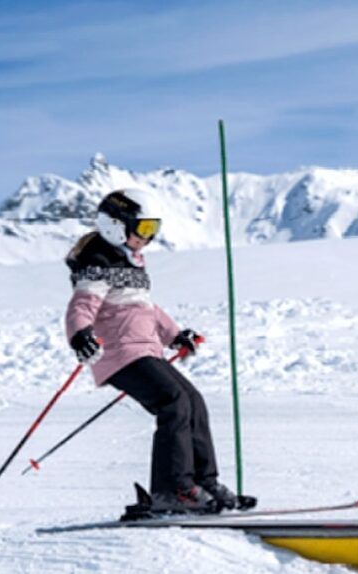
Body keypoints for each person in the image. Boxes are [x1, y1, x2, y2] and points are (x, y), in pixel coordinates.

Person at [63, 188, 240, 515]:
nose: (149, 238)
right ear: (117, 225)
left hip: (145, 350)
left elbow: (147, 309)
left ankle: (204, 483)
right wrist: (79, 335)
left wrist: (175, 335)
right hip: (119, 354)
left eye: (153, 229)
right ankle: (173, 491)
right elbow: (82, 304)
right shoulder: (98, 261)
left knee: (193, 402)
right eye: (143, 229)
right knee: (173, 401)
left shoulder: (132, 263)